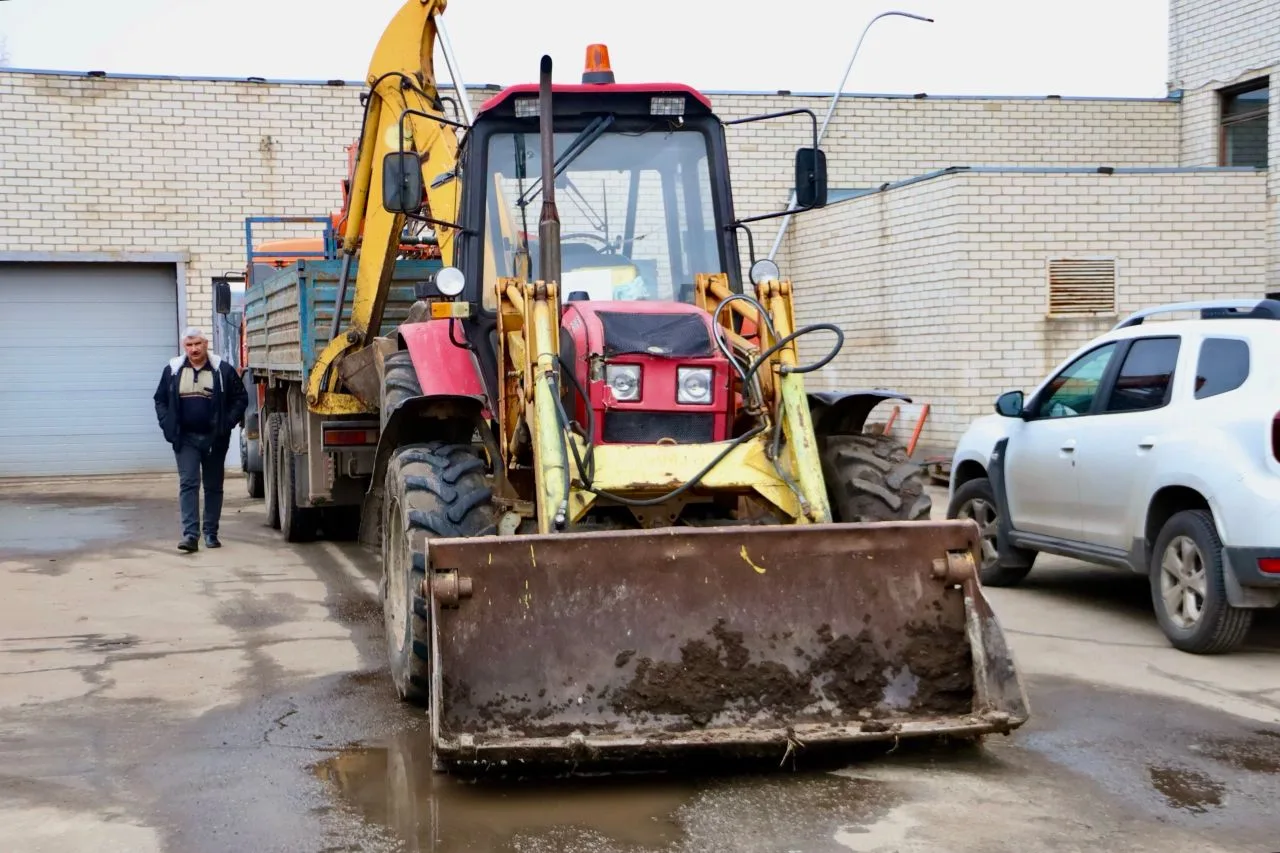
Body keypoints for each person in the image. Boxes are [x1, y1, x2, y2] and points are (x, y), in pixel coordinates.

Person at [153, 327, 248, 552]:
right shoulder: (173, 371)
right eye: (189, 345)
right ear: (183, 346)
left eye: (198, 344)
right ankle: (190, 535)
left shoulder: (222, 370)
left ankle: (211, 533)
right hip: (185, 438)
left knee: (213, 486)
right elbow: (160, 400)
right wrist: (168, 425)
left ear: (206, 345)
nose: (194, 349)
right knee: (189, 483)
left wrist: (227, 424)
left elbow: (241, 398)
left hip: (214, 438)